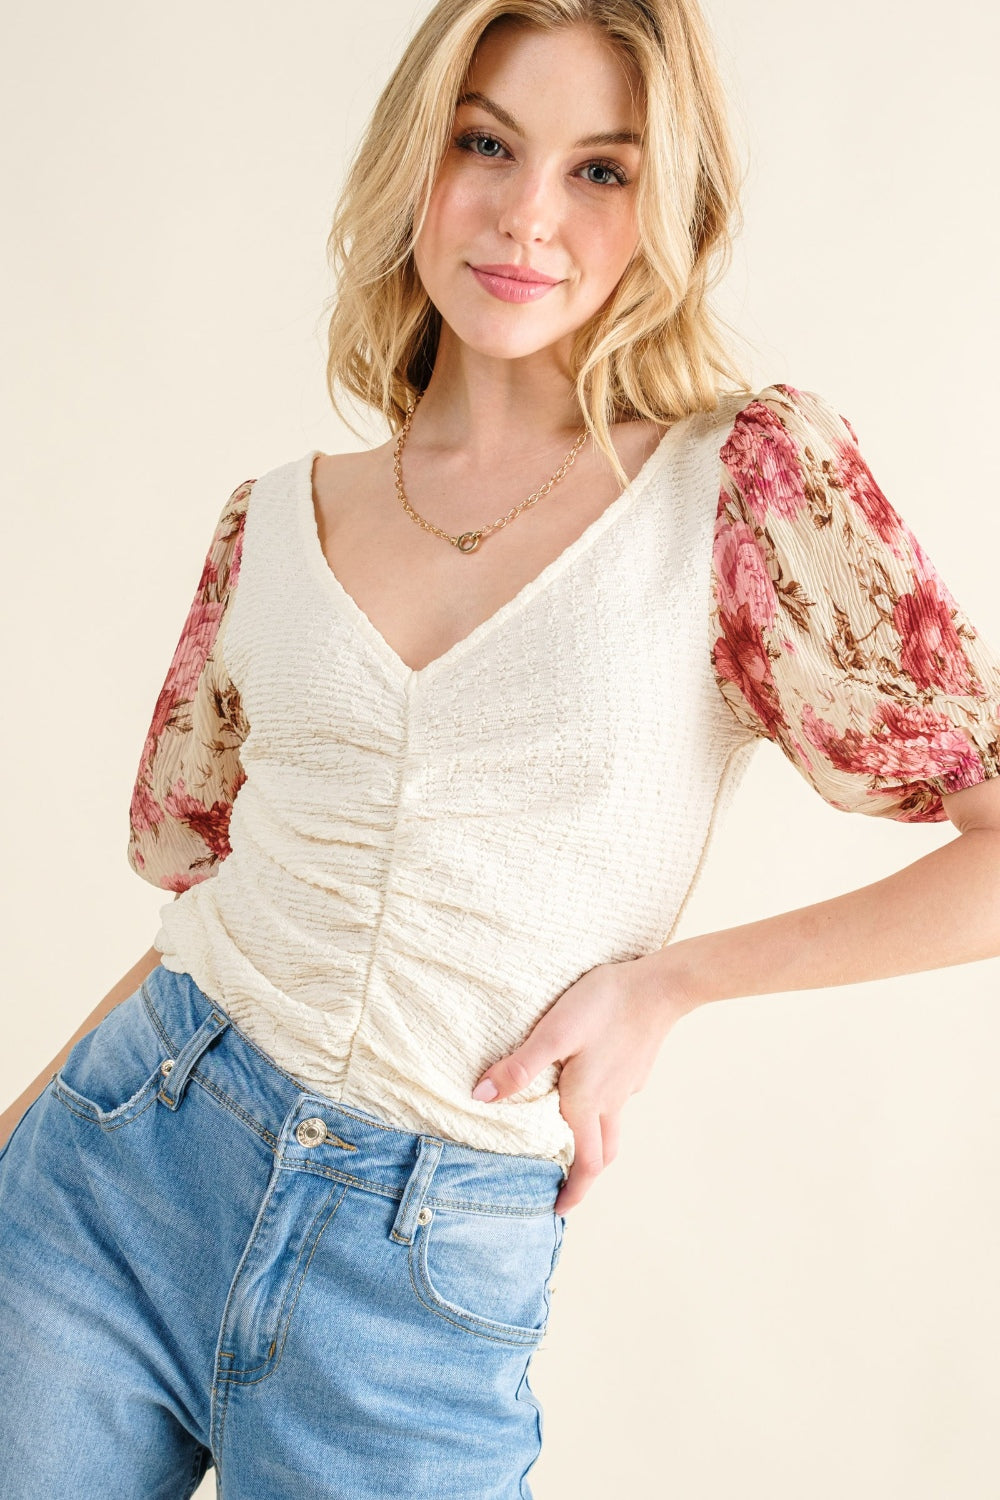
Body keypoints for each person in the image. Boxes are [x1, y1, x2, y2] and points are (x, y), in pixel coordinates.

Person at [3, 1, 1000, 1495]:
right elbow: (209, 905)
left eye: (602, 170)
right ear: (420, 158)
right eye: (488, 143)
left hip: (414, 1274)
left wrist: (673, 984)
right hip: (109, 1174)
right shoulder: (272, 517)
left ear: (668, 207)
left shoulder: (743, 487)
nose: (530, 216)